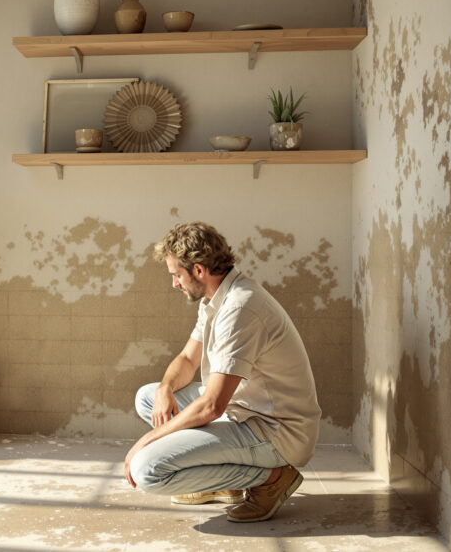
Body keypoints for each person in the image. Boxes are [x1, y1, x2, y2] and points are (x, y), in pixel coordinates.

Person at [123, 222, 321, 523]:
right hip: (242, 407)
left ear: (199, 270)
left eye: (177, 274)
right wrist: (165, 388)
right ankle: (225, 484)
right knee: (149, 398)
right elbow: (188, 359)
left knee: (146, 470)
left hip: (275, 431)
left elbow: (212, 406)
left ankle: (272, 477)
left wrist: (147, 440)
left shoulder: (240, 308)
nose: (175, 283)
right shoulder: (216, 298)